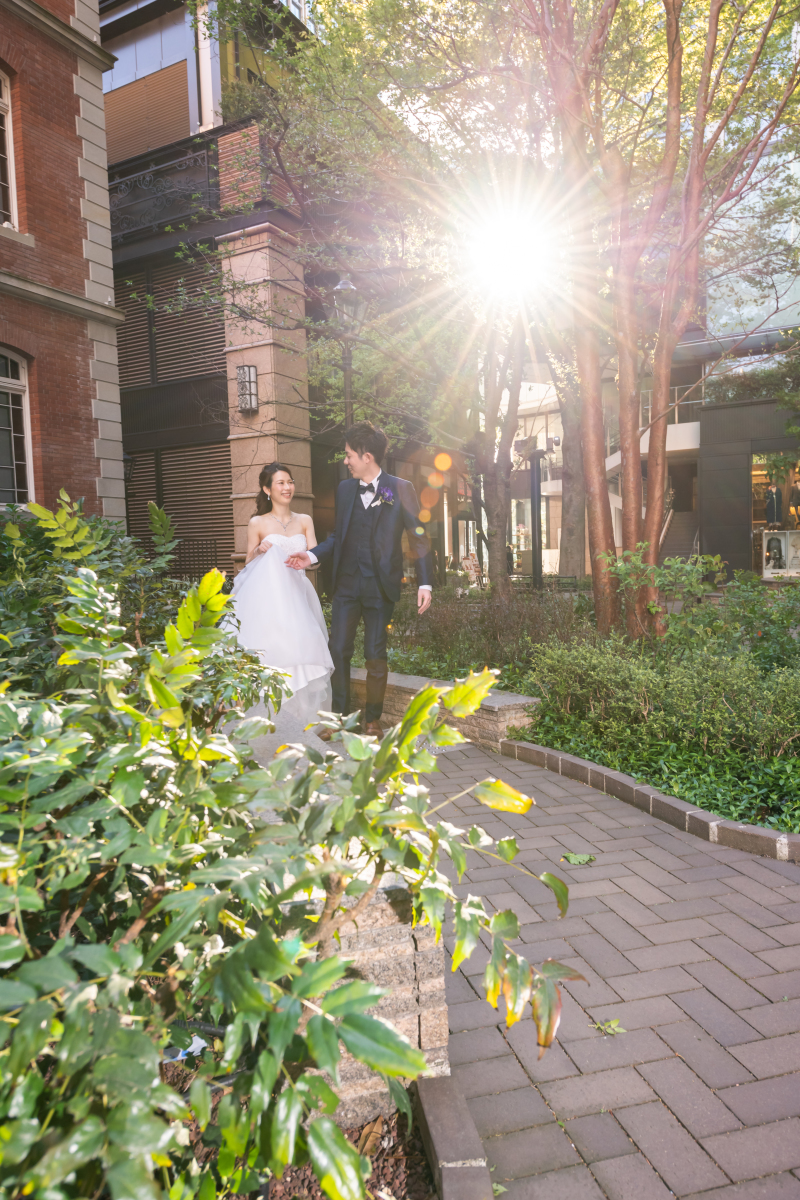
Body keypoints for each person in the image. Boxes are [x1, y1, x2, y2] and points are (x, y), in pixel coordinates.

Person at [286, 421, 432, 738]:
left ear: (367, 456)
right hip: (347, 585)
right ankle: (339, 720)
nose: (345, 460)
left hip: (381, 586)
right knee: (338, 649)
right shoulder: (345, 489)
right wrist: (310, 556)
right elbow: (338, 537)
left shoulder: (400, 488)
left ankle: (372, 720)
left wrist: (425, 583)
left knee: (375, 655)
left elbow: (418, 537)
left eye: (349, 454)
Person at [227, 462, 333, 731]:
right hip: (268, 601)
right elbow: (247, 563)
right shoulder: (257, 522)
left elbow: (315, 559)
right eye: (281, 483)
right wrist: (259, 550)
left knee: (301, 653)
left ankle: (298, 724)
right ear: (267, 489)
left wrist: (306, 559)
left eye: (290, 482)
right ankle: (269, 723)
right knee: (273, 653)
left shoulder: (305, 520)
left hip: (298, 596)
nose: (287, 487)